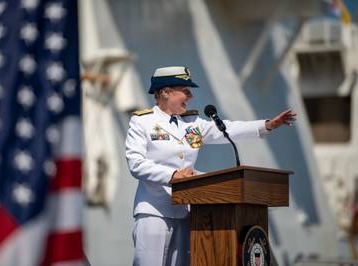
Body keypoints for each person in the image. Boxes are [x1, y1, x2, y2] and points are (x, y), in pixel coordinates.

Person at [125, 66, 296, 266]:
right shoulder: (142, 122)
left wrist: (267, 125)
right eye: (185, 91)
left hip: (186, 212)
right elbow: (136, 163)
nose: (190, 96)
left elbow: (227, 129)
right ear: (165, 92)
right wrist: (173, 175)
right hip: (154, 211)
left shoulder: (192, 123)